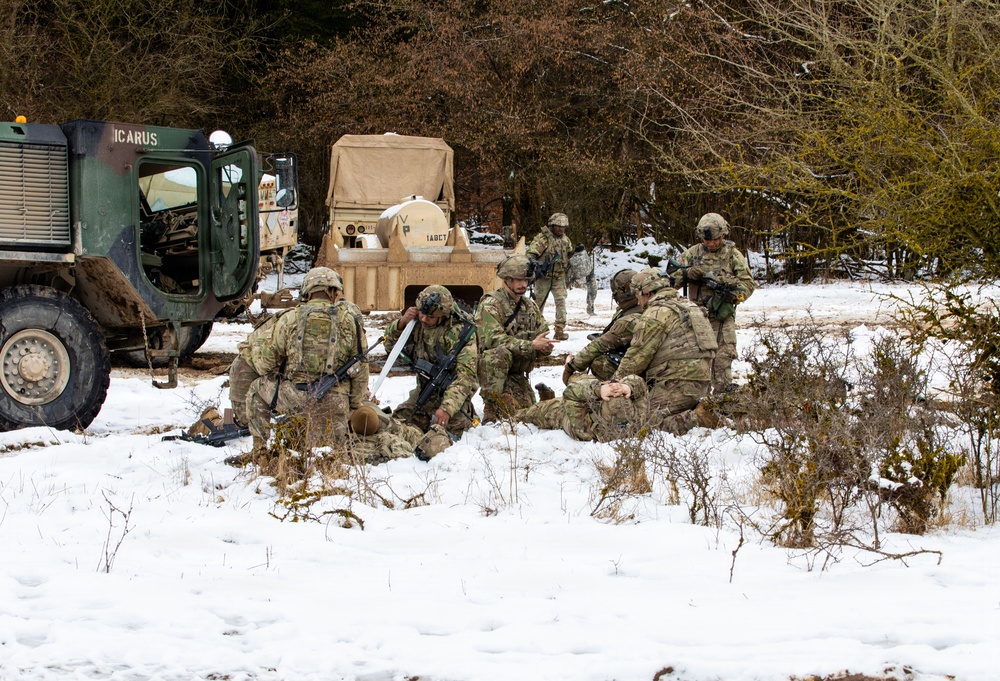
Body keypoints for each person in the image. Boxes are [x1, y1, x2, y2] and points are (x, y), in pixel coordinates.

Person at [242, 267, 370, 455]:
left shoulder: (289, 318)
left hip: (295, 398)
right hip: (336, 403)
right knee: (331, 453)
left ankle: (260, 451)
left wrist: (257, 348)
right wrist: (353, 407)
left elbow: (265, 364)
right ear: (333, 291)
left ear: (307, 291)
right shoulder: (350, 321)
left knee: (256, 389)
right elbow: (361, 370)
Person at [612, 268, 720, 434]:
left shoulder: (656, 314)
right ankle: (698, 410)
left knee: (633, 423)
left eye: (637, 295)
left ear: (647, 293)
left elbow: (636, 359)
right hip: (701, 384)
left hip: (675, 386)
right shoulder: (691, 307)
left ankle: (697, 420)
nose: (638, 301)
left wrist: (613, 385)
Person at [382, 285, 479, 459]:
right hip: (422, 395)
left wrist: (447, 408)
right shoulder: (418, 324)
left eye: (430, 317)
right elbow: (391, 347)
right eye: (421, 314)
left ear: (443, 316)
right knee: (395, 424)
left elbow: (467, 377)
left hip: (451, 401)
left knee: (441, 437)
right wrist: (401, 323)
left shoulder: (461, 333)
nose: (424, 319)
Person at [673, 213, 756, 393]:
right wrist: (687, 274)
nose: (711, 244)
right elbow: (669, 280)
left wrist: (733, 294)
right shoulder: (692, 254)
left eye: (716, 240)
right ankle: (694, 396)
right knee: (695, 357)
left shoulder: (733, 255)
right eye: (707, 240)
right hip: (695, 316)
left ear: (723, 235)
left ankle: (722, 395)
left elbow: (748, 284)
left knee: (724, 356)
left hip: (722, 315)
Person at [476, 254, 554, 422]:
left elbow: (542, 332)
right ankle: (491, 405)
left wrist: (545, 347)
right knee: (499, 353)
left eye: (526, 280)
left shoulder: (529, 306)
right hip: (494, 371)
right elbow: (494, 340)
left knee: (527, 414)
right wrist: (531, 345)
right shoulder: (491, 305)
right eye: (518, 280)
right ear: (506, 279)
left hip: (519, 372)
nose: (523, 285)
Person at [563, 269, 641, 383]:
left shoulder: (629, 320)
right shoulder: (643, 308)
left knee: (598, 362)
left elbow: (599, 345)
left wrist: (571, 367)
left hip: (634, 371)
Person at [517, 375, 649, 442]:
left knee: (528, 413)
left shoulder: (586, 430)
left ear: (602, 415)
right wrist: (627, 387)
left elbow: (570, 393)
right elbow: (640, 384)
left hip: (561, 411)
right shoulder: (638, 420)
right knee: (582, 377)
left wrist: (599, 389)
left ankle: (546, 396)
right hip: (585, 400)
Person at [526, 212, 573, 340]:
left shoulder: (565, 239)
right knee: (537, 304)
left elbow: (568, 253)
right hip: (543, 277)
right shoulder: (542, 239)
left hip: (558, 276)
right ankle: (535, 330)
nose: (561, 229)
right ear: (552, 225)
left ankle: (559, 329)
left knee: (561, 302)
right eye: (558, 226)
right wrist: (537, 268)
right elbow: (530, 255)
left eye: (563, 226)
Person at [566, 244, 597, 316]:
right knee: (592, 290)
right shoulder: (585, 256)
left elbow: (568, 272)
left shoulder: (572, 259)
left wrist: (568, 280)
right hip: (588, 275)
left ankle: (562, 310)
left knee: (561, 294)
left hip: (578, 276)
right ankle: (590, 308)